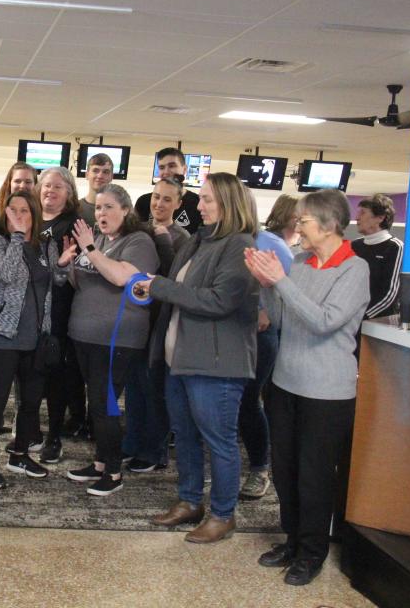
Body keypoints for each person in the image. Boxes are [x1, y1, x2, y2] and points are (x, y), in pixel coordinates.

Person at [245, 189, 369, 586]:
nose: (297, 227)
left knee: (314, 476)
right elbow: (284, 316)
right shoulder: (299, 263)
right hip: (285, 383)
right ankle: (293, 540)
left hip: (326, 393)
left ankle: (313, 551)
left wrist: (280, 281)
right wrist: (266, 285)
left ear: (329, 225)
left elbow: (322, 321)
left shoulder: (354, 270)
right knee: (285, 470)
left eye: (304, 222)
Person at [135, 172, 258, 544]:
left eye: (206, 200)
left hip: (216, 363)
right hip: (181, 358)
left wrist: (159, 285)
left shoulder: (239, 245)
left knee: (219, 440)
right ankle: (190, 501)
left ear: (228, 203)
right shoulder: (199, 241)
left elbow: (219, 301)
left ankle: (223, 514)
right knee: (185, 435)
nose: (198, 206)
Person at [58, 184, 159, 496]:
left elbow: (120, 277)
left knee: (105, 405)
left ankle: (114, 473)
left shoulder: (138, 241)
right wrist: (68, 263)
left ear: (126, 210)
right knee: (96, 404)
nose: (101, 213)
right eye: (98, 208)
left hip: (116, 338)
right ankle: (100, 463)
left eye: (109, 207)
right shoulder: (98, 240)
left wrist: (89, 249)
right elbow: (83, 282)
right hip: (85, 334)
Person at [0, 191, 61, 489]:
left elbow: (56, 281)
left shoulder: (45, 245)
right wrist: (16, 236)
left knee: (30, 402)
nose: (18, 216)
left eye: (24, 211)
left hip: (36, 336)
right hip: (4, 334)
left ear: (34, 213)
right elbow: (8, 274)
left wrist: (62, 264)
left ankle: (20, 453)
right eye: (12, 210)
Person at [122, 175, 190, 474]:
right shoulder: (138, 230)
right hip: (136, 319)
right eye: (156, 197)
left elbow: (176, 278)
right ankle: (132, 441)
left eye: (166, 199)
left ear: (178, 203)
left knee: (153, 388)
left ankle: (154, 450)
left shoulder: (183, 238)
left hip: (161, 322)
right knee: (134, 387)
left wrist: (163, 240)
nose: (159, 203)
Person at [237, 190, 294, 501]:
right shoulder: (217, 240)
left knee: (248, 401)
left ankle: (260, 468)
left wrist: (266, 311)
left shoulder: (270, 244)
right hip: (227, 333)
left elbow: (290, 290)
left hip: (259, 336)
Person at [35, 166, 86, 461]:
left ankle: (54, 436)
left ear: (69, 193)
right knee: (29, 375)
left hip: (59, 312)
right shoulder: (28, 216)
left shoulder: (74, 224)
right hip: (30, 310)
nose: (50, 191)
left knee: (55, 377)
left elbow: (76, 271)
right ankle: (30, 431)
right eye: (46, 185)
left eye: (57, 187)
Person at [352, 193, 403, 319]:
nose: (357, 217)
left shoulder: (395, 247)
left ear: (380, 218)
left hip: (376, 323)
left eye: (362, 213)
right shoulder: (354, 245)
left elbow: (390, 293)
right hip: (351, 321)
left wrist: (363, 316)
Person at [135, 148, 202, 234]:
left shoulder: (198, 204)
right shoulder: (144, 202)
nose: (166, 172)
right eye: (162, 167)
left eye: (171, 166)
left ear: (184, 169)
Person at [78, 153, 113, 227]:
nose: (100, 176)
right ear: (87, 175)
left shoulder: (118, 211)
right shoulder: (75, 209)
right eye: (95, 170)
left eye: (105, 172)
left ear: (111, 177)